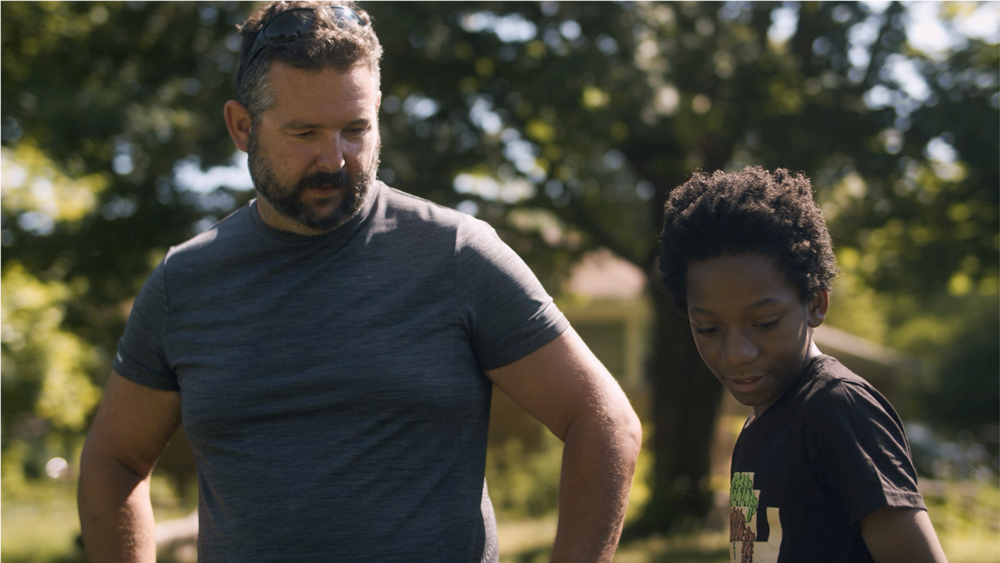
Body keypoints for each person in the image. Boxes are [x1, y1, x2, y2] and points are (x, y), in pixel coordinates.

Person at [77, 2, 642, 561]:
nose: (335, 159)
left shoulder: (456, 255)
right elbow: (114, 460)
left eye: (355, 129)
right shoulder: (184, 285)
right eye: (304, 132)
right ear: (242, 126)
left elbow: (604, 422)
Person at [658, 167, 948, 563]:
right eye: (708, 328)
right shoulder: (755, 428)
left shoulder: (839, 409)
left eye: (764, 323)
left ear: (815, 303)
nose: (737, 353)